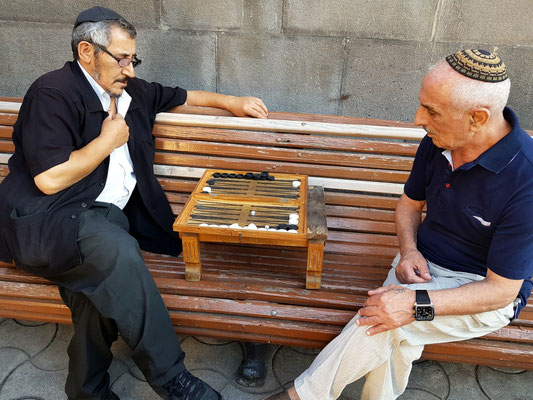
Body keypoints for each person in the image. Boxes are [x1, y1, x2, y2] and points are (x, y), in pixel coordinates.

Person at [0, 6, 268, 400]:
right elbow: (49, 178)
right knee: (117, 254)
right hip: (45, 219)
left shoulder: (131, 91)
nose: (130, 68)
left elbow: (181, 95)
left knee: (96, 288)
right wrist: (106, 142)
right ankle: (171, 379)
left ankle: (87, 391)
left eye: (133, 59)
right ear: (87, 52)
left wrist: (232, 102)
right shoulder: (53, 92)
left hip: (102, 222)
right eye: (121, 58)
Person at [265, 49, 533, 400]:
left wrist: (413, 304)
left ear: (477, 118)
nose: (418, 118)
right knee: (395, 335)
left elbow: (500, 292)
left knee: (385, 326)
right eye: (422, 105)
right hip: (418, 268)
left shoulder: (526, 180)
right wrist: (408, 250)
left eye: (431, 110)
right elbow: (408, 206)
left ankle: (298, 397)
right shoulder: (438, 143)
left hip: (481, 289)